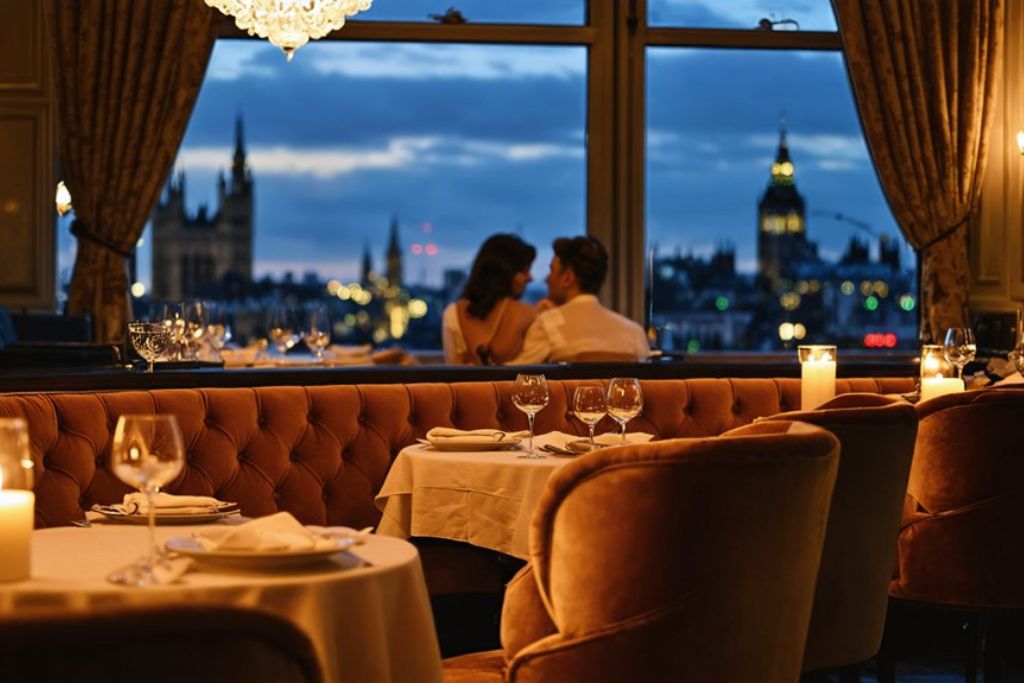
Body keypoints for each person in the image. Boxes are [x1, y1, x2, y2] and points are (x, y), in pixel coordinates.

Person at [507, 236, 650, 364]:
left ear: (568, 278)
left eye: (552, 271)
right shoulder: (635, 332)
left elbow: (516, 376)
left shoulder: (547, 325)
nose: (547, 279)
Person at [442, 234, 538, 365]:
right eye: (524, 271)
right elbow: (530, 374)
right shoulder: (529, 314)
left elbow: (452, 369)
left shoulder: (453, 313)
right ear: (505, 272)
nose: (530, 278)